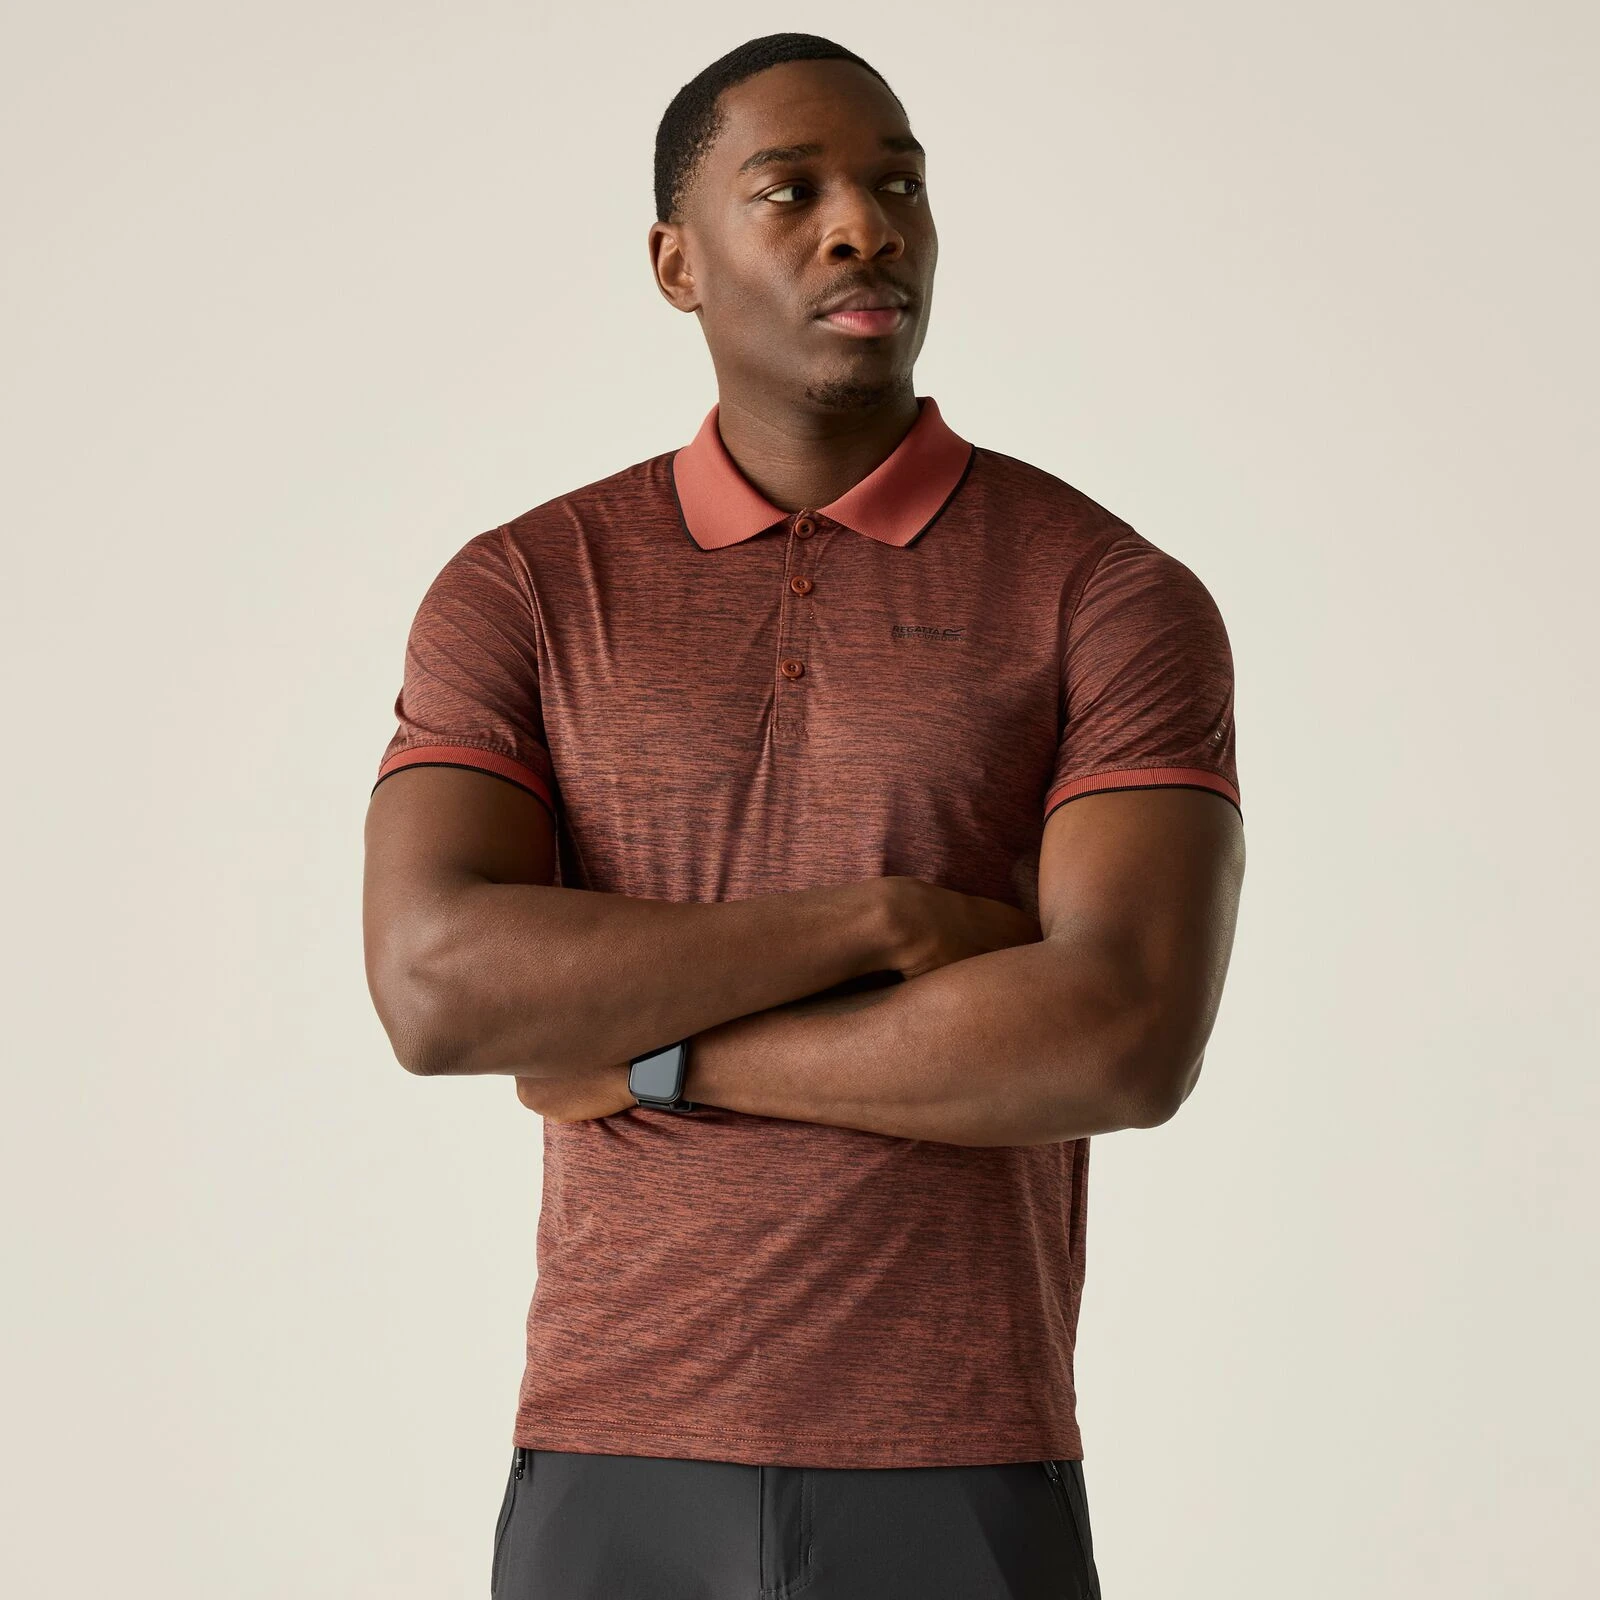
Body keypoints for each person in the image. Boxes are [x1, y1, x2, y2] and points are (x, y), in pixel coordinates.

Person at [362, 30, 1245, 1600]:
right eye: (792, 191)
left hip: (961, 1460)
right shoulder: (526, 590)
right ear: (676, 262)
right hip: (610, 1455)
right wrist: (881, 922)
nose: (864, 228)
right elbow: (439, 989)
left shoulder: (1106, 594)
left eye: (898, 186)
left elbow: (1121, 1038)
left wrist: (660, 1061)